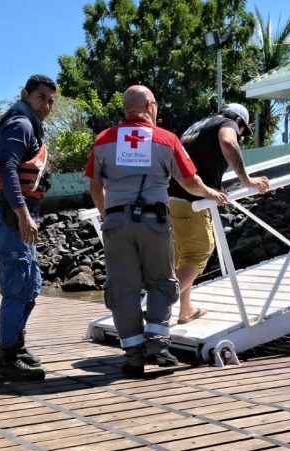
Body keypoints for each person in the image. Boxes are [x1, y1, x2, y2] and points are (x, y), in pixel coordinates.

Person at [86, 85, 228, 377]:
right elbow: (190, 182)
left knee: (123, 288)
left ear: (125, 109)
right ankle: (158, 347)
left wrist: (106, 214)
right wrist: (212, 194)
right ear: (150, 106)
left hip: (117, 222)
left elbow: (94, 186)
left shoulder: (103, 140)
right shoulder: (166, 139)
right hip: (154, 222)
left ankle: (133, 356)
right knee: (161, 282)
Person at [0, 73, 57, 385]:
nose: (46, 106)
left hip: (14, 218)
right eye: (41, 98)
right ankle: (8, 360)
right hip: (11, 218)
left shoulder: (25, 124)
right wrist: (23, 214)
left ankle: (16, 347)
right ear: (25, 95)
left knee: (30, 284)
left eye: (51, 101)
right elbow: (7, 168)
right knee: (18, 286)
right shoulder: (20, 124)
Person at [168, 103, 270, 324]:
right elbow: (228, 142)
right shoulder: (227, 124)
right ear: (239, 121)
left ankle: (186, 309)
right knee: (199, 253)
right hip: (191, 201)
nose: (239, 134)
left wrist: (214, 185)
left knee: (185, 258)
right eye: (242, 131)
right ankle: (157, 302)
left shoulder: (198, 126)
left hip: (172, 198)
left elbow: (196, 160)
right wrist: (247, 180)